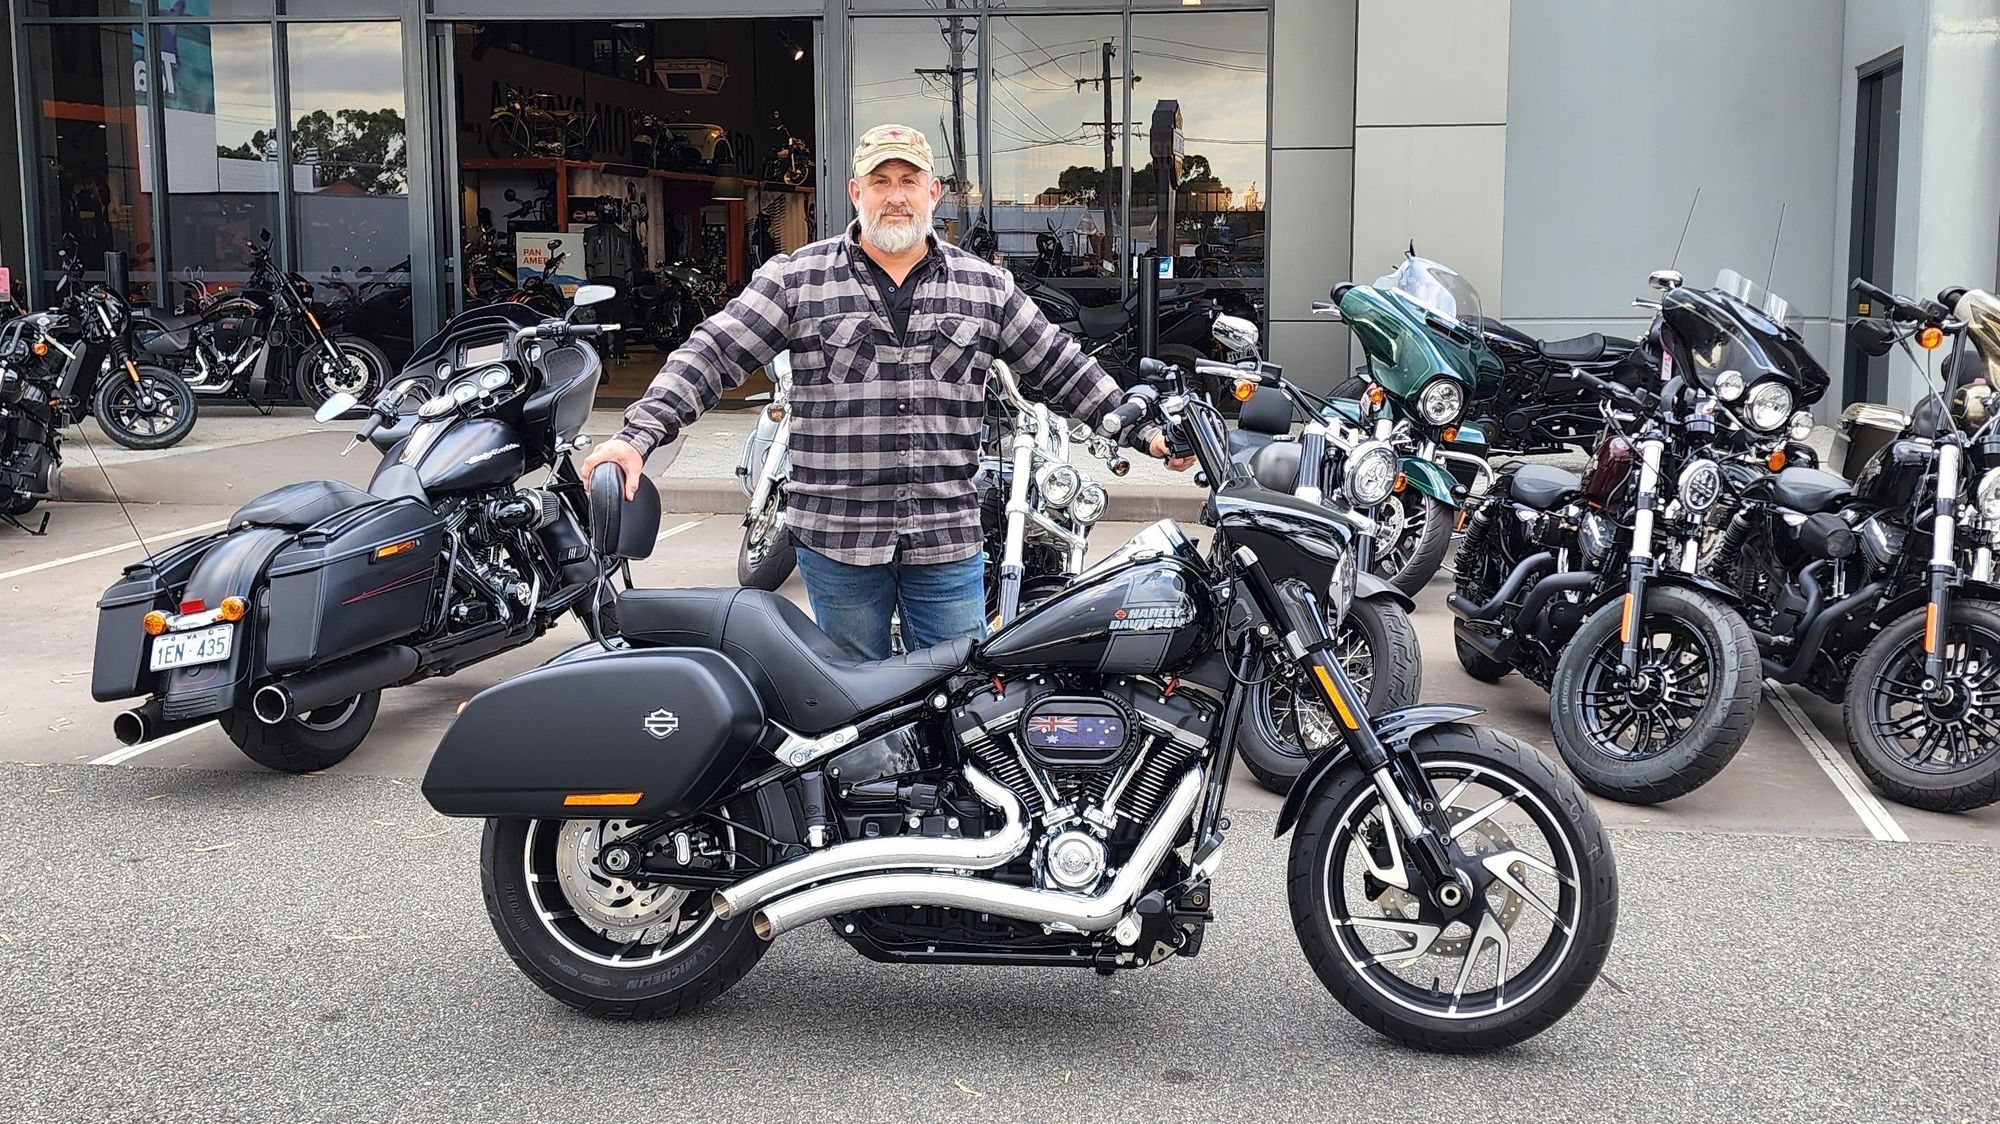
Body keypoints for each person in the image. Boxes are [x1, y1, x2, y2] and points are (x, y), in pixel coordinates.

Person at [583, 123, 1191, 661]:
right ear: (856, 193)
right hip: (837, 539)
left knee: (954, 691)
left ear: (934, 193)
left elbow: (1059, 365)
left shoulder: (985, 288)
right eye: (880, 181)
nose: (895, 195)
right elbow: (712, 352)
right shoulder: (798, 280)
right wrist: (636, 438)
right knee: (853, 702)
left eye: (909, 181)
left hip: (945, 536)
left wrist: (1143, 429)